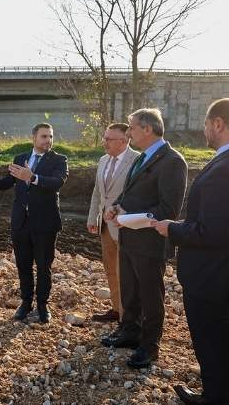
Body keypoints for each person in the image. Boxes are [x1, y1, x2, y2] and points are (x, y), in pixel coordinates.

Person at [151, 97, 229, 405]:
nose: (205, 131)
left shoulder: (228, 168)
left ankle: (217, 399)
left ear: (218, 124)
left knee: (214, 344)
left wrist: (171, 228)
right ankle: (219, 394)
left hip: (212, 277)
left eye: (207, 125)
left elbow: (214, 232)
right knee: (226, 341)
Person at [100, 108, 187, 369]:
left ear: (148, 129)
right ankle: (130, 332)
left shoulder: (172, 161)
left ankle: (150, 346)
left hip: (149, 242)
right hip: (129, 237)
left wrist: (129, 216)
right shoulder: (141, 159)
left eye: (132, 127)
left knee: (151, 296)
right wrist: (116, 206)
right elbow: (129, 194)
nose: (129, 133)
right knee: (130, 290)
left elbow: (169, 208)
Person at [0, 123, 68, 323]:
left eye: (51, 137)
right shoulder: (21, 158)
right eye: (44, 136)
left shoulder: (59, 160)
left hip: (45, 224)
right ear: (34, 138)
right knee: (23, 265)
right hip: (21, 223)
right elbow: (6, 183)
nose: (48, 140)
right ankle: (26, 303)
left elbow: (57, 182)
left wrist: (33, 177)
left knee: (44, 266)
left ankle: (42, 307)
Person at [86, 123, 139, 322]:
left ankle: (129, 318)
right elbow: (98, 192)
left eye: (109, 139)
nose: (104, 142)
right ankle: (117, 310)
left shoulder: (137, 161)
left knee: (126, 273)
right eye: (104, 138)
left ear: (124, 141)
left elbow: (136, 194)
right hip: (105, 226)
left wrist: (122, 215)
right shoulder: (103, 160)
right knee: (110, 269)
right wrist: (93, 218)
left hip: (125, 225)